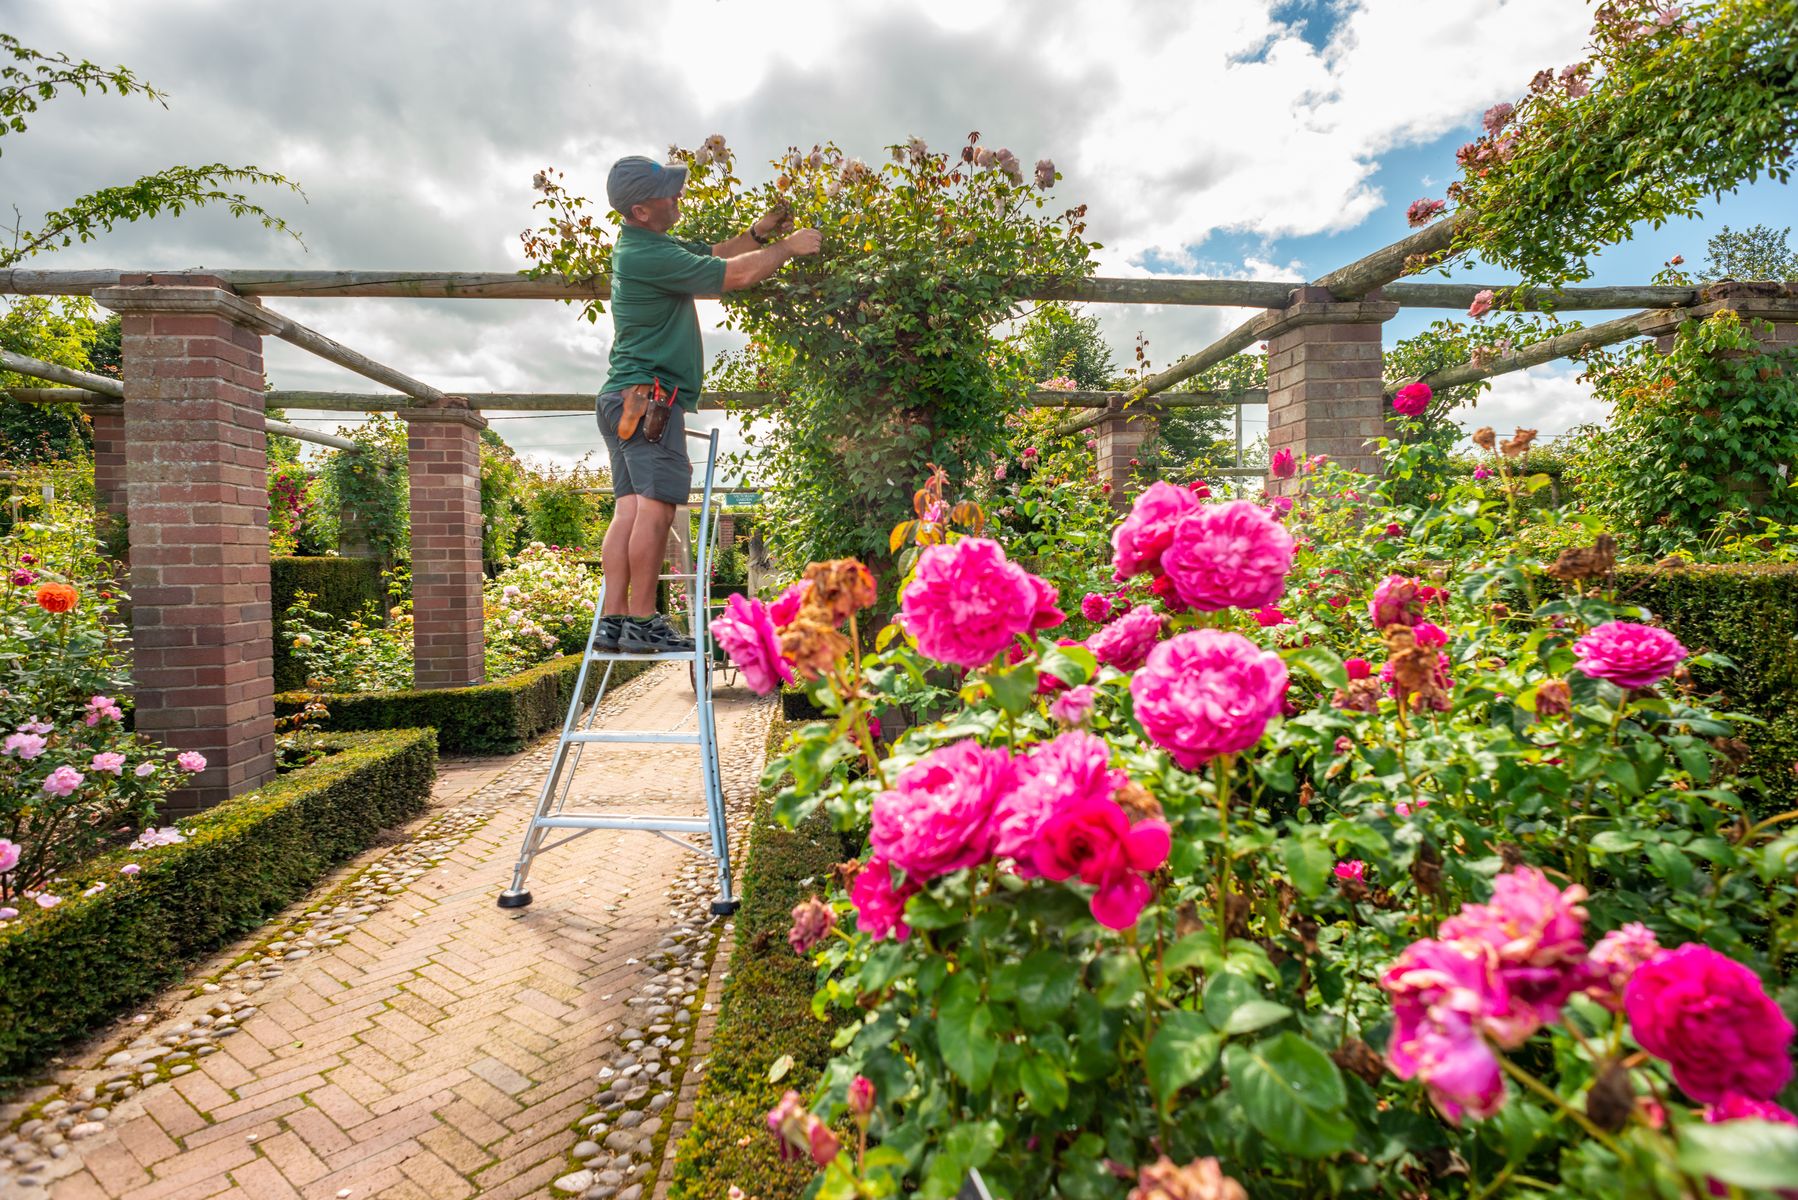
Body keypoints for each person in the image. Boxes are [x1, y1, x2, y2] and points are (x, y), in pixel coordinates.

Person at [595, 155, 821, 653]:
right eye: (667, 193)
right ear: (641, 209)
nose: (677, 197)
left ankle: (613, 621)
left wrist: (759, 233)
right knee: (654, 511)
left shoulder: (644, 245)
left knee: (629, 510)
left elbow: (717, 253)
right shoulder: (648, 255)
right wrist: (787, 247)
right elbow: (732, 276)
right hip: (650, 402)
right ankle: (643, 621)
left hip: (622, 398)